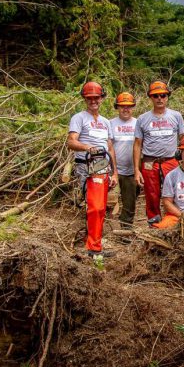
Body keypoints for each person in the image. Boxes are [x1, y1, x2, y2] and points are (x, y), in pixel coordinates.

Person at [66, 81, 118, 258]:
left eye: (96, 98)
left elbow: (110, 148)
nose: (93, 101)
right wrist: (87, 147)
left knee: (101, 207)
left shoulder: (105, 122)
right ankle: (94, 248)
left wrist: (115, 173)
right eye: (90, 98)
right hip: (87, 164)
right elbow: (71, 141)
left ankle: (95, 243)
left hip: (104, 165)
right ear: (85, 99)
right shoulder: (79, 118)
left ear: (102, 98)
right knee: (94, 206)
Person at [133, 81, 184, 220]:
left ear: (167, 97)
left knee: (175, 191)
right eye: (156, 96)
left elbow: (183, 139)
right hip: (150, 161)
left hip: (171, 160)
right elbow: (137, 144)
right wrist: (137, 170)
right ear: (151, 98)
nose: (159, 99)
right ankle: (154, 222)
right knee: (151, 194)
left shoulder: (176, 116)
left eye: (163, 95)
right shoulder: (142, 119)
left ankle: (173, 220)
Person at [110, 92, 139, 229]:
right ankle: (102, 229)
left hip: (132, 171)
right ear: (117, 107)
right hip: (113, 171)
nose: (125, 109)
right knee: (107, 202)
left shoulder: (139, 123)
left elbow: (142, 146)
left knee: (129, 203)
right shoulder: (110, 124)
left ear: (133, 107)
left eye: (128, 106)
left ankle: (126, 229)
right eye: (122, 106)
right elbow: (107, 148)